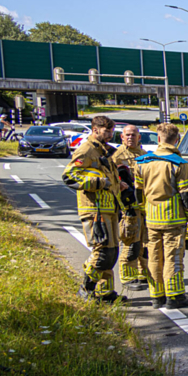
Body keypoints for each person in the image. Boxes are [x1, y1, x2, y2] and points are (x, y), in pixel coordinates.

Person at [135, 123, 188, 309]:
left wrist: (142, 211)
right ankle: (175, 296)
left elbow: (138, 192)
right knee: (173, 257)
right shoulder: (179, 164)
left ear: (159, 138)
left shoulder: (142, 162)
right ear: (177, 140)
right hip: (173, 218)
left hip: (151, 218)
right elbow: (186, 195)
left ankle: (156, 296)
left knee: (154, 257)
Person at [62, 115, 122, 302]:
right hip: (94, 210)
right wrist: (98, 182)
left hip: (109, 209)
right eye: (107, 131)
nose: (110, 134)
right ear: (95, 130)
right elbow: (69, 177)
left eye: (112, 131)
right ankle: (86, 288)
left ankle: (105, 293)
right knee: (102, 252)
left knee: (112, 253)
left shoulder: (103, 150)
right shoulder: (86, 150)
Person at [112, 125, 150, 292]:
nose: (130, 138)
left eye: (133, 135)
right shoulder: (116, 156)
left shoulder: (145, 156)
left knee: (145, 242)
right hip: (127, 206)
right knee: (131, 241)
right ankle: (128, 276)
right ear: (121, 137)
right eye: (127, 135)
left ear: (139, 137)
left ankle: (143, 273)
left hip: (144, 206)